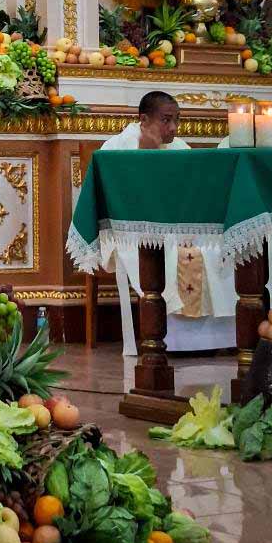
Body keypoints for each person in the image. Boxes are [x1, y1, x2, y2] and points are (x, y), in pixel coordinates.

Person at [100, 90, 235, 354]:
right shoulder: (116, 148)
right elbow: (117, 200)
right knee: (166, 252)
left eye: (177, 120)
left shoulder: (179, 148)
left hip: (179, 229)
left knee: (219, 247)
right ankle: (168, 339)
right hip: (134, 232)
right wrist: (146, 154)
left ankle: (219, 339)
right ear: (144, 119)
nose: (173, 127)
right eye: (166, 120)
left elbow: (195, 194)